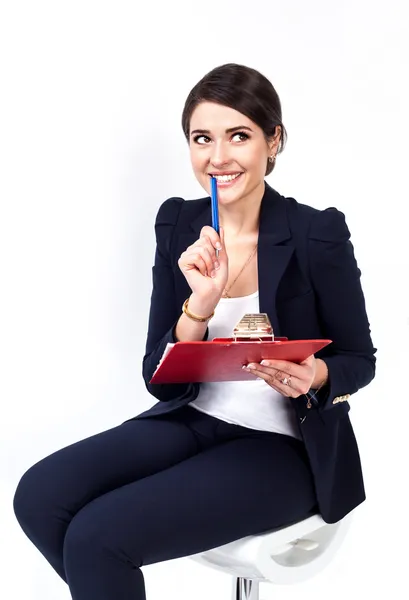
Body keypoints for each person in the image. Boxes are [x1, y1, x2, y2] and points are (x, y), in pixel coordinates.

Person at [13, 63, 376, 600]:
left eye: (240, 136)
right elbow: (158, 382)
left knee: (97, 538)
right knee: (40, 496)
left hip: (284, 450)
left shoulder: (315, 233)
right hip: (192, 420)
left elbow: (360, 359)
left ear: (273, 141)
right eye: (202, 138)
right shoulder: (180, 224)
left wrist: (315, 373)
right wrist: (198, 309)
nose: (218, 157)